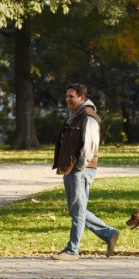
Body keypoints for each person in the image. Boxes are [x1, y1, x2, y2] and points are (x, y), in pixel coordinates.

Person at [51, 83, 120, 261]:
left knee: (78, 210)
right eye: (67, 96)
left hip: (80, 169)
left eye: (72, 96)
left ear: (82, 97)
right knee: (76, 209)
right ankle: (109, 234)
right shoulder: (76, 115)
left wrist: (79, 167)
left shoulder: (88, 116)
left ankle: (72, 250)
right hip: (71, 168)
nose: (68, 99)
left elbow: (90, 145)